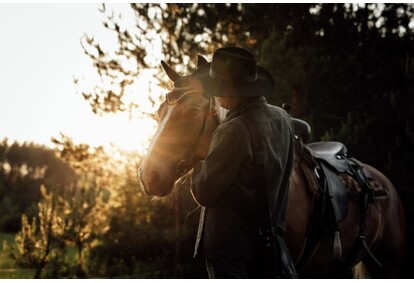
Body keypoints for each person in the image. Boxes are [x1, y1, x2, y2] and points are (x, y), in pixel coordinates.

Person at [189, 47, 296, 279]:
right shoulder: (283, 119)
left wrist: (199, 160)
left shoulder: (232, 130)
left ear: (231, 91)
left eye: (217, 87)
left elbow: (204, 192)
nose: (215, 94)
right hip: (269, 248)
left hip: (230, 251)